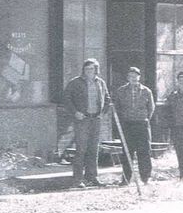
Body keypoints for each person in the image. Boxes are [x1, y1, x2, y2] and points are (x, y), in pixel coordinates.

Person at [63, 58, 111, 187]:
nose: (89, 71)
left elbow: (107, 99)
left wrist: (103, 112)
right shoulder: (75, 83)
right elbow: (66, 99)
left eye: (92, 69)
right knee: (81, 149)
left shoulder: (100, 83)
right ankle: (77, 180)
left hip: (95, 119)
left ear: (96, 70)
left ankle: (92, 177)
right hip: (82, 119)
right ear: (83, 70)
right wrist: (75, 112)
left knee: (94, 149)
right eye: (87, 69)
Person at [113, 66, 156, 185]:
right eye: (130, 76)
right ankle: (126, 179)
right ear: (127, 78)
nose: (133, 78)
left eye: (135, 76)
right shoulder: (121, 91)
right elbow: (117, 108)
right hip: (127, 125)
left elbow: (151, 108)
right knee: (127, 152)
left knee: (144, 151)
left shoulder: (146, 91)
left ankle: (146, 178)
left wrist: (143, 118)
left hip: (142, 124)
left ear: (139, 77)